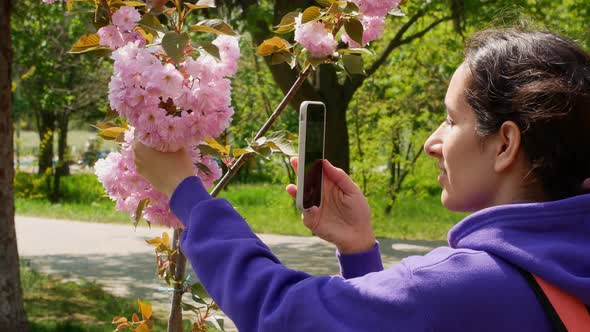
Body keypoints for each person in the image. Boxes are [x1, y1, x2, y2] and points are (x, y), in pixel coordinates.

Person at [133, 28, 590, 331]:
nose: (434, 141)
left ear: (506, 144)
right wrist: (359, 254)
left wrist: (187, 194)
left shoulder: (466, 285)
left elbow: (283, 313)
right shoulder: (567, 268)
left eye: (451, 121)